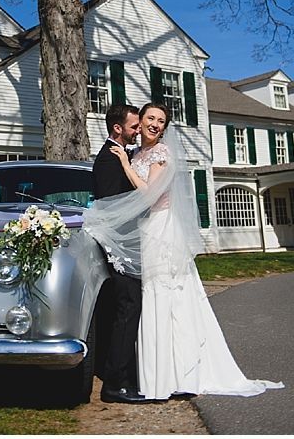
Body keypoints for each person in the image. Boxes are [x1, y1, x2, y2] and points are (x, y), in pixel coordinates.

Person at [95, 102, 283, 401]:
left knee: (168, 294)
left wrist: (127, 166)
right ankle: (153, 375)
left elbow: (148, 193)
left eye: (162, 121)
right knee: (152, 297)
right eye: (151, 118)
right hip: (144, 231)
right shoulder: (136, 152)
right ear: (140, 122)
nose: (156, 124)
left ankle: (177, 374)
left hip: (161, 227)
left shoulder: (159, 154)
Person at [89, 103, 147, 404]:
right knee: (127, 310)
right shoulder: (110, 161)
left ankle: (127, 375)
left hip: (128, 245)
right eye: (134, 126)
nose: (138, 131)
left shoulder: (122, 156)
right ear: (118, 128)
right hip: (121, 246)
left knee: (126, 309)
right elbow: (111, 208)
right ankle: (115, 384)